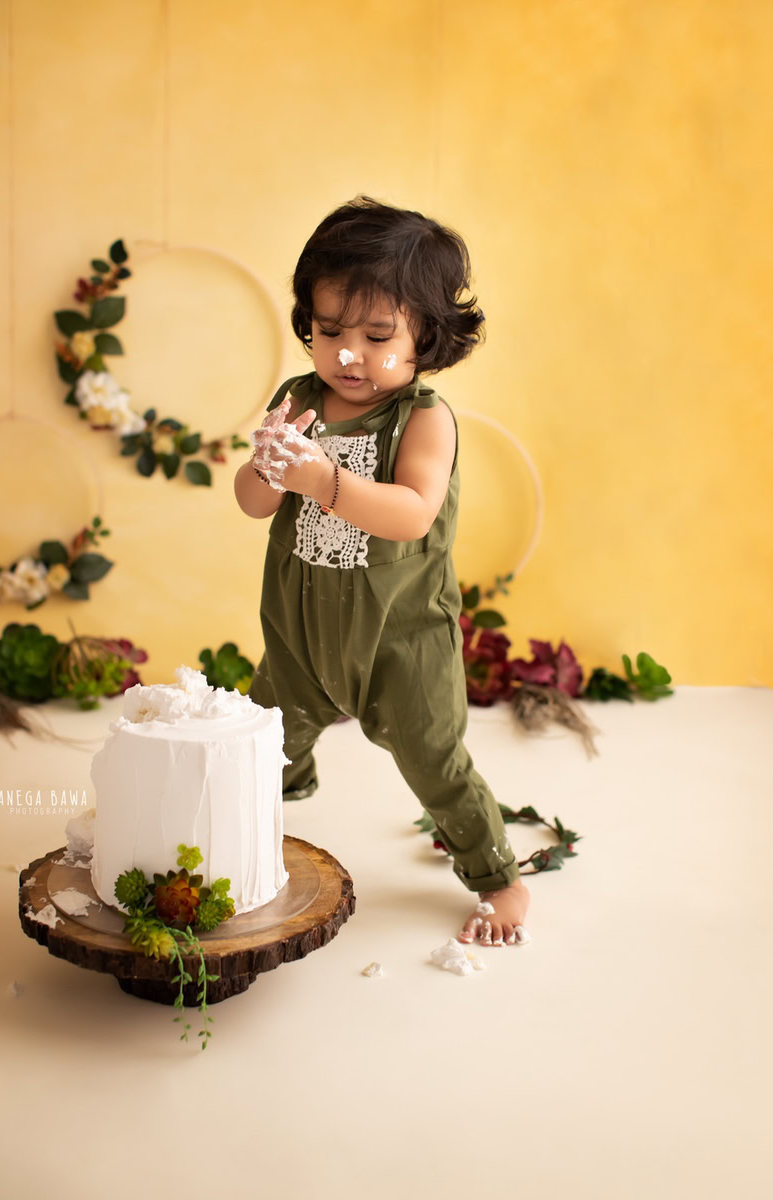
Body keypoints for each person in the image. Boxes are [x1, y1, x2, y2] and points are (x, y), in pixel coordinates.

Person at [233, 195, 530, 947]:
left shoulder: (424, 418)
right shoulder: (299, 401)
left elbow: (411, 513)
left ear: (425, 335)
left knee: (434, 755)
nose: (346, 355)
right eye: (329, 330)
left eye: (374, 335)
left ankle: (499, 878)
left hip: (401, 636)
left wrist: (321, 481)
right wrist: (268, 468)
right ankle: (223, 854)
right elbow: (253, 502)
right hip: (301, 632)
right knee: (256, 745)